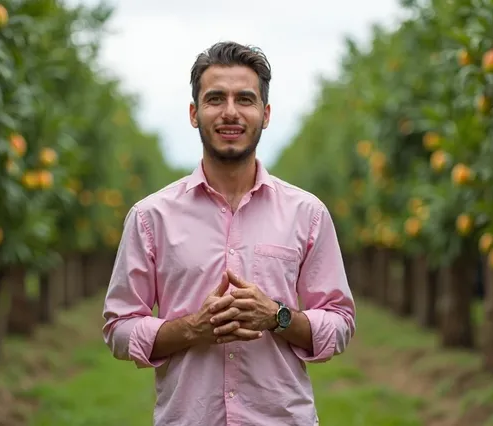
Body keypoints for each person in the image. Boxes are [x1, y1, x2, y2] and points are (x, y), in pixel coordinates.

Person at [101, 40, 356, 426]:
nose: (230, 112)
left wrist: (278, 317)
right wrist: (191, 328)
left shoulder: (308, 214)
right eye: (216, 98)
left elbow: (340, 322)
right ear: (194, 112)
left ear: (266, 114)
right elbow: (119, 327)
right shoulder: (150, 218)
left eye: (245, 99)